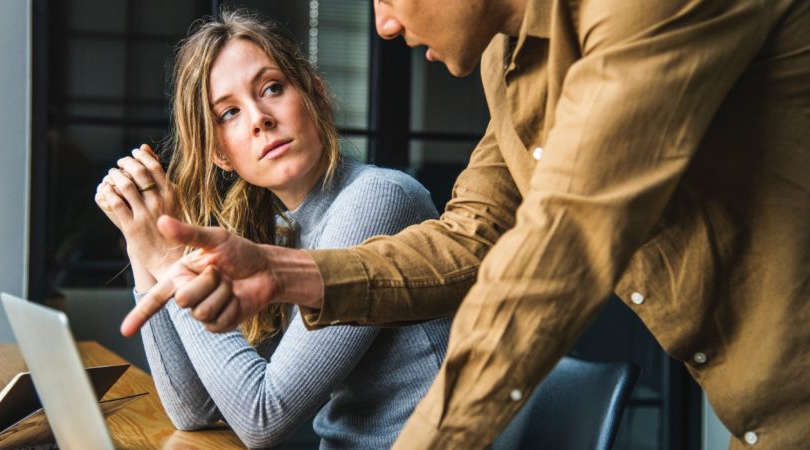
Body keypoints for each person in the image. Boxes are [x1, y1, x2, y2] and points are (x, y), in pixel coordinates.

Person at [125, 0, 810, 448]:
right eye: (228, 113)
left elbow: (562, 245)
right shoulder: (507, 61)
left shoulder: (639, 9)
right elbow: (470, 239)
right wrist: (277, 272)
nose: (384, 25)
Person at [96, 10, 451, 449]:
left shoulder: (378, 199)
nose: (258, 118)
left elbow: (262, 419)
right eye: (228, 113)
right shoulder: (281, 229)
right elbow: (195, 410)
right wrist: (140, 238)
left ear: (315, 95)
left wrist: (168, 259)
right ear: (221, 156)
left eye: (271, 88)